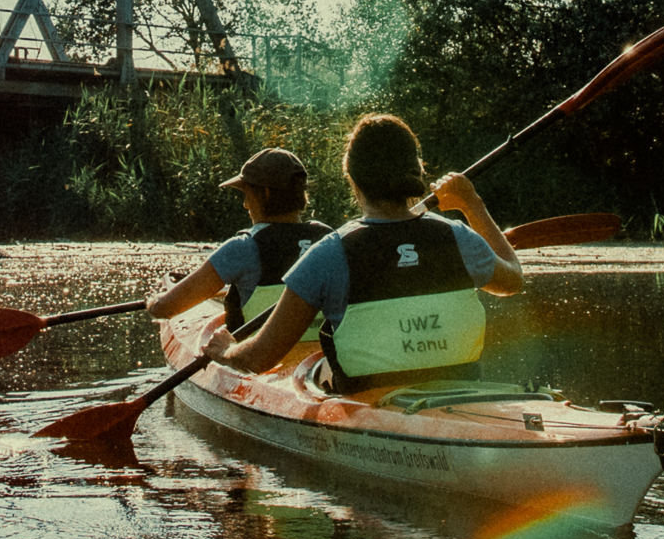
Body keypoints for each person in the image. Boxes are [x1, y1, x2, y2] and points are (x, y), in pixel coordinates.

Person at [204, 113, 524, 394]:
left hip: (370, 403)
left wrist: (226, 351)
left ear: (352, 179)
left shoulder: (329, 253)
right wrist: (472, 204)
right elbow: (513, 280)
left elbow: (259, 358)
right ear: (416, 170)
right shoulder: (457, 236)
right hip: (461, 396)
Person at [144, 147, 331, 329]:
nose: (245, 205)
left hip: (256, 356)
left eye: (246, 195)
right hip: (323, 357)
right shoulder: (330, 240)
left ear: (265, 193)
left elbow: (164, 309)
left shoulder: (242, 248)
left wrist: (153, 301)